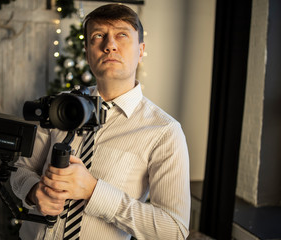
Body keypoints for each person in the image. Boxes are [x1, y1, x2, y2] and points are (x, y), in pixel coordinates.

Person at [10, 4, 190, 240]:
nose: (109, 45)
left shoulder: (165, 132)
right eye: (98, 36)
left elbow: (174, 231)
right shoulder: (59, 108)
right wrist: (33, 192)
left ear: (141, 50)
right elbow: (20, 169)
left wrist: (94, 191)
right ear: (87, 51)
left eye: (122, 35)